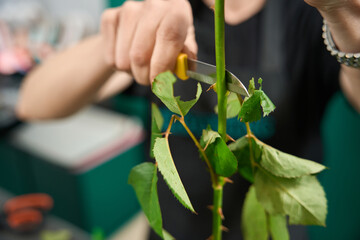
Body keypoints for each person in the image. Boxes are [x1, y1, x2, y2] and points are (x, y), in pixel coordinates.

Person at [15, 0, 360, 239]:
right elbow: (32, 103)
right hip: (172, 230)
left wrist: (343, 15)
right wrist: (113, 43)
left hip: (269, 228)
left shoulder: (308, 17)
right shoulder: (166, 13)